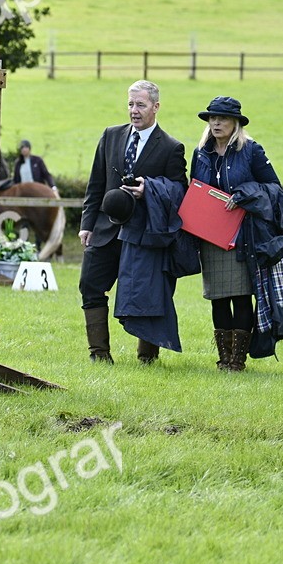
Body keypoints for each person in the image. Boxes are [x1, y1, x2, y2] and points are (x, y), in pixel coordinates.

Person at [78, 80, 187, 364]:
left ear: (156, 107)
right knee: (90, 284)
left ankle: (147, 357)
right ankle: (99, 354)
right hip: (105, 229)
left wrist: (148, 189)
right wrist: (87, 224)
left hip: (144, 234)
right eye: (130, 104)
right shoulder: (111, 135)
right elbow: (96, 183)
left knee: (149, 292)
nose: (134, 110)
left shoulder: (172, 147)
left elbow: (180, 191)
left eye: (140, 105)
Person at [190, 96, 283, 372]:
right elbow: (194, 189)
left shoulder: (251, 151)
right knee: (218, 297)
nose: (216, 123)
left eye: (222, 118)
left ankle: (237, 360)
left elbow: (274, 188)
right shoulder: (200, 153)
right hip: (210, 236)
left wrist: (244, 193)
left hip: (243, 235)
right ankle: (224, 359)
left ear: (236, 123)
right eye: (212, 118)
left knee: (241, 296)